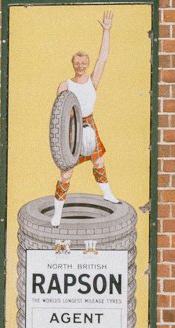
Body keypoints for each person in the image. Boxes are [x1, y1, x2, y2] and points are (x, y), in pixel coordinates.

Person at [52, 11, 119, 226]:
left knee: (99, 161)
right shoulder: (65, 85)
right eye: (77, 63)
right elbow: (59, 114)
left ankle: (107, 193)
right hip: (72, 130)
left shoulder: (92, 81)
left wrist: (106, 31)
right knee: (66, 174)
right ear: (73, 64)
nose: (80, 66)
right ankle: (57, 213)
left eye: (84, 63)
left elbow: (103, 57)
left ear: (87, 64)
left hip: (90, 125)